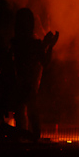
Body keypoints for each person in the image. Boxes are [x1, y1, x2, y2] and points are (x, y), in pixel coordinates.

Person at [10, 7, 59, 142]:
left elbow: (32, 56)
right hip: (29, 88)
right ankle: (3, 129)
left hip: (19, 86)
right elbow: (44, 61)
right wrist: (49, 46)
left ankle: (5, 131)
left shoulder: (15, 43)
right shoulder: (31, 44)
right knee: (32, 131)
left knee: (21, 124)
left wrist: (47, 45)